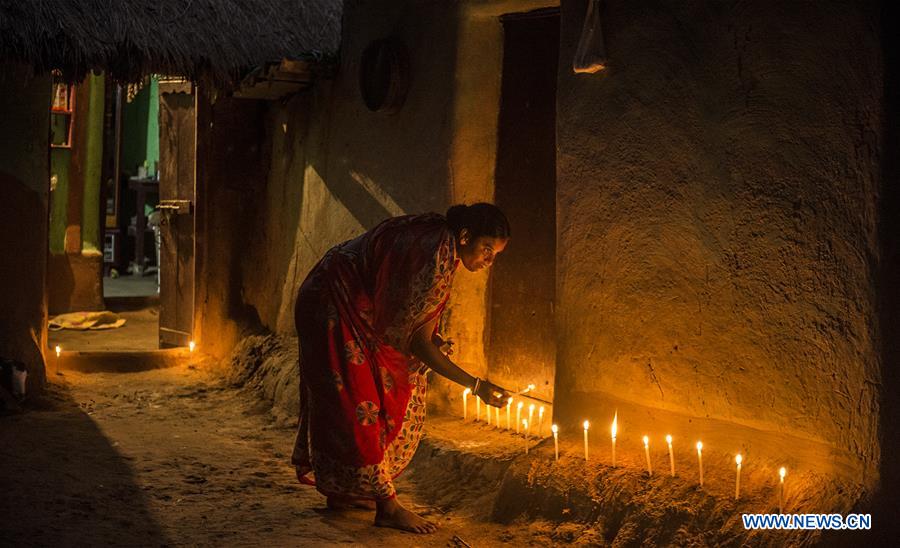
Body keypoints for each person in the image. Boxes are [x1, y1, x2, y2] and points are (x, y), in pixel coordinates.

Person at [291, 203, 511, 534]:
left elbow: (410, 317)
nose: (488, 261)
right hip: (332, 302)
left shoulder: (443, 244)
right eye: (487, 250)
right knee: (361, 401)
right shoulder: (434, 252)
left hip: (344, 302)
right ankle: (387, 506)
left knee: (353, 399)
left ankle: (345, 492)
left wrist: (430, 341)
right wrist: (475, 385)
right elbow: (416, 342)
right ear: (466, 236)